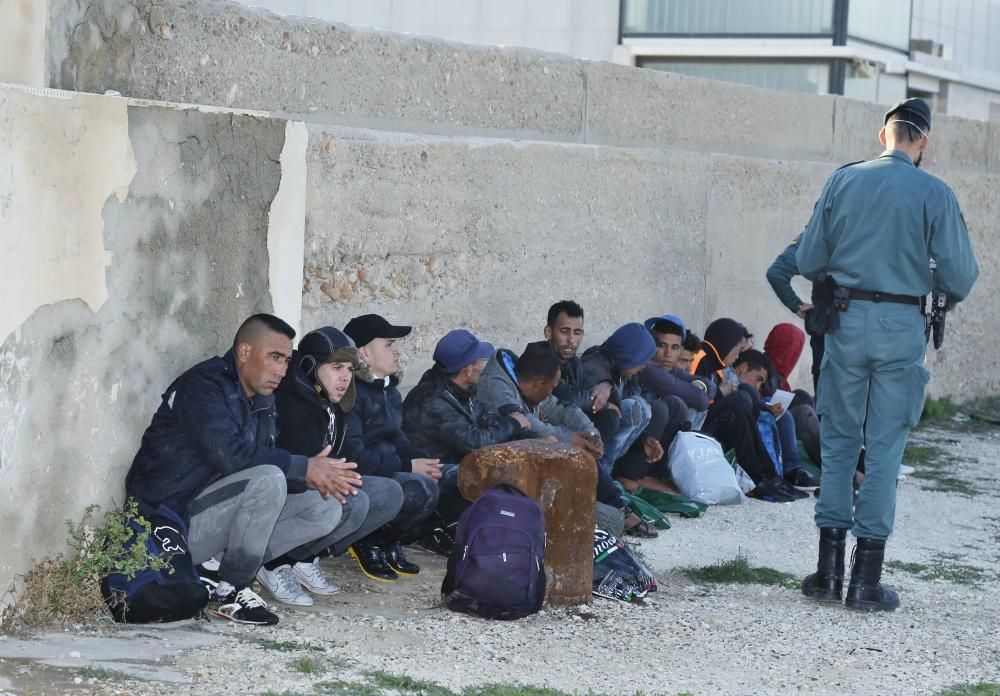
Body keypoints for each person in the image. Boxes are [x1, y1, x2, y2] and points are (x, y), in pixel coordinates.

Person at [796, 98, 979, 612]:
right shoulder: (936, 192)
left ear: (884, 135)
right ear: (922, 142)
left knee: (837, 444)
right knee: (883, 453)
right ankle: (865, 583)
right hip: (901, 325)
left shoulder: (843, 180)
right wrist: (928, 283)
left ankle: (828, 574)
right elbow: (961, 277)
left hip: (846, 324)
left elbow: (810, 257)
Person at [125, 314, 366, 626]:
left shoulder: (264, 399)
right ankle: (232, 589)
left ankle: (219, 570)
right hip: (170, 525)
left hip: (216, 523)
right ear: (244, 353)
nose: (282, 370)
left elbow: (259, 467)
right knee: (269, 478)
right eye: (274, 358)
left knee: (326, 507)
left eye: (287, 360)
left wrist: (316, 475)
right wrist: (304, 467)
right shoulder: (202, 386)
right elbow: (232, 457)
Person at [273, 326, 410, 589]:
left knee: (388, 491)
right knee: (349, 503)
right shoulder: (290, 403)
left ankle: (304, 558)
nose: (346, 377)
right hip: (286, 496)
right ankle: (273, 563)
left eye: (349, 369)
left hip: (315, 490)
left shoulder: (335, 403)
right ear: (311, 366)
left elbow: (347, 455)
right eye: (337, 368)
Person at [341, 314, 455, 573]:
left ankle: (393, 538)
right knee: (421, 488)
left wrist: (424, 460)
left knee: (455, 478)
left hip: (391, 467)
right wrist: (408, 465)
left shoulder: (388, 390)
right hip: (368, 476)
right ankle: (368, 540)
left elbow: (397, 437)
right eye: (389, 344)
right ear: (364, 355)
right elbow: (354, 456)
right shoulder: (351, 394)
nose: (397, 350)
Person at [402, 329, 532, 463]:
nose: (482, 367)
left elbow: (488, 417)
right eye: (480, 361)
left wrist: (531, 438)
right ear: (468, 370)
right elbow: (474, 443)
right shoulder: (431, 401)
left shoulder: (459, 390)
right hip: (434, 474)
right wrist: (514, 423)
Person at [641, 315, 716, 430]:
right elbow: (700, 400)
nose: (668, 354)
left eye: (674, 347)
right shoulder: (648, 368)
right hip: (637, 438)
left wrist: (701, 386)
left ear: (680, 350)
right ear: (651, 344)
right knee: (677, 404)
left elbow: (711, 387)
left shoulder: (669, 368)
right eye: (661, 346)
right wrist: (697, 391)